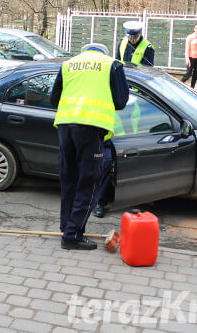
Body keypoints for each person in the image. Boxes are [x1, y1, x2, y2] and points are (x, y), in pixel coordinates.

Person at [50, 43, 129, 250]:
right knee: (90, 181)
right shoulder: (112, 64)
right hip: (91, 127)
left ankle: (67, 226)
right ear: (103, 52)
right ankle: (72, 236)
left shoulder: (68, 64)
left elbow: (53, 99)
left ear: (84, 52)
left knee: (69, 179)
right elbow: (121, 101)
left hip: (65, 126)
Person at [181, 23, 197, 89]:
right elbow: (187, 48)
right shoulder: (190, 37)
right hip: (191, 58)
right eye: (196, 28)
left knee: (195, 74)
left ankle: (192, 88)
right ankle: (179, 83)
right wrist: (187, 59)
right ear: (194, 29)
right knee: (188, 74)